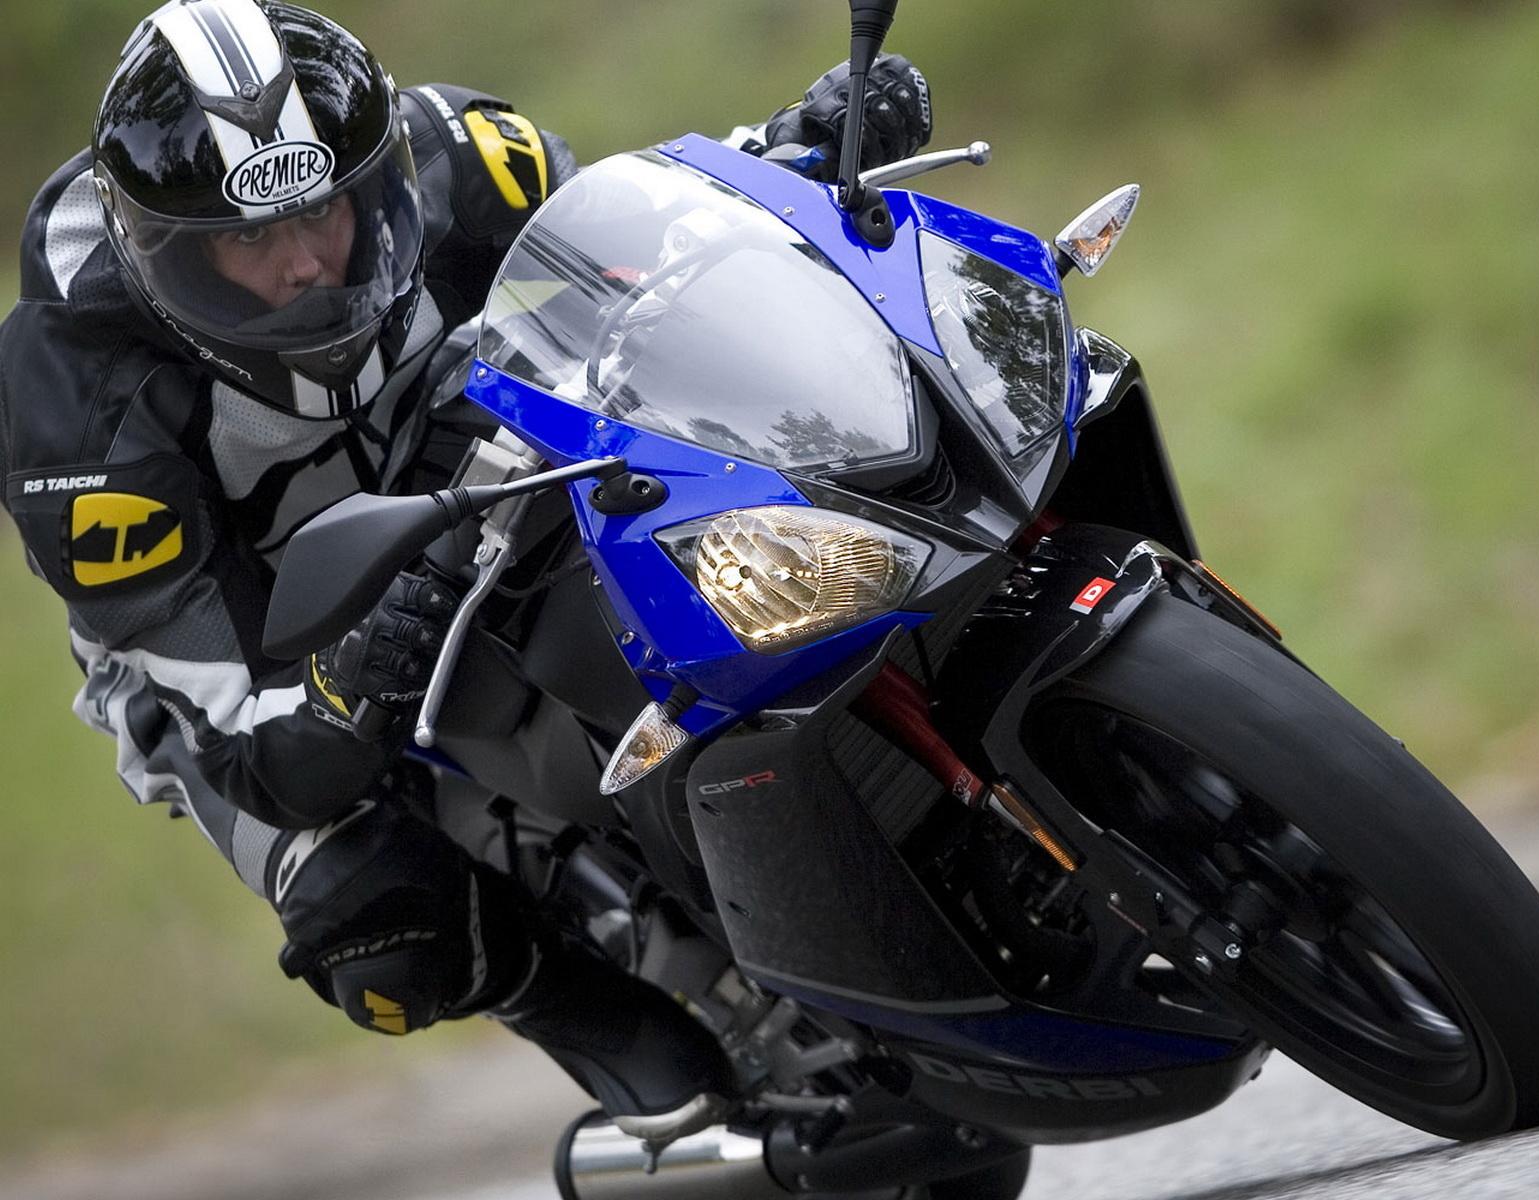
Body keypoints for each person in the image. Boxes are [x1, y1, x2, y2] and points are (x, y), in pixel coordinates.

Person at [0, 0, 931, 1120]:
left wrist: (793, 149)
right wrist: (338, 692)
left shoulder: (454, 151)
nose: (307, 263)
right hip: (248, 636)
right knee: (374, 913)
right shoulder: (76, 411)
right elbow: (250, 742)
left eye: (325, 209)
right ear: (170, 255)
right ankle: (628, 1034)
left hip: (465, 460)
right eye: (250, 241)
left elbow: (658, 235)